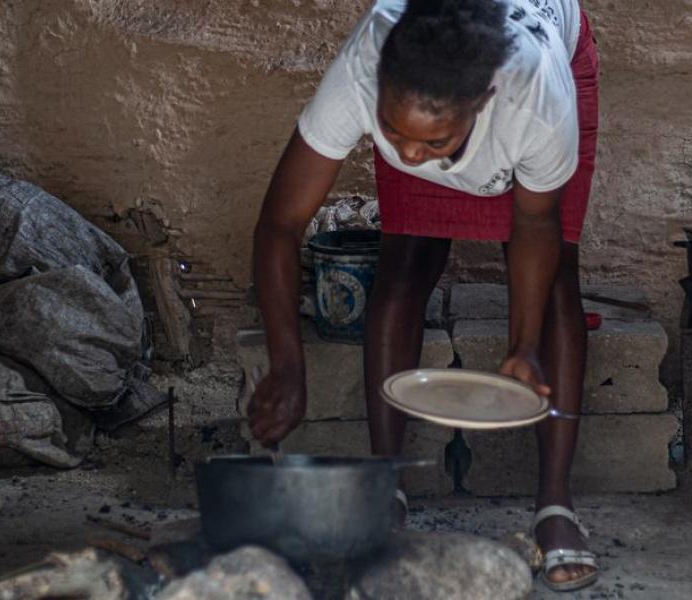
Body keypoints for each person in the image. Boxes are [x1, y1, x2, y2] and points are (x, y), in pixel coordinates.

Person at [248, 0, 600, 592]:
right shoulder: (368, 66)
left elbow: (535, 227)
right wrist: (287, 364)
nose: (409, 155)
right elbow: (280, 225)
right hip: (428, 95)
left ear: (482, 104)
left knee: (558, 277)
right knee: (405, 260)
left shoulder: (536, 99)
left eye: (432, 140)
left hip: (543, 68)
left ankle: (555, 504)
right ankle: (388, 482)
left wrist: (524, 344)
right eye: (391, 131)